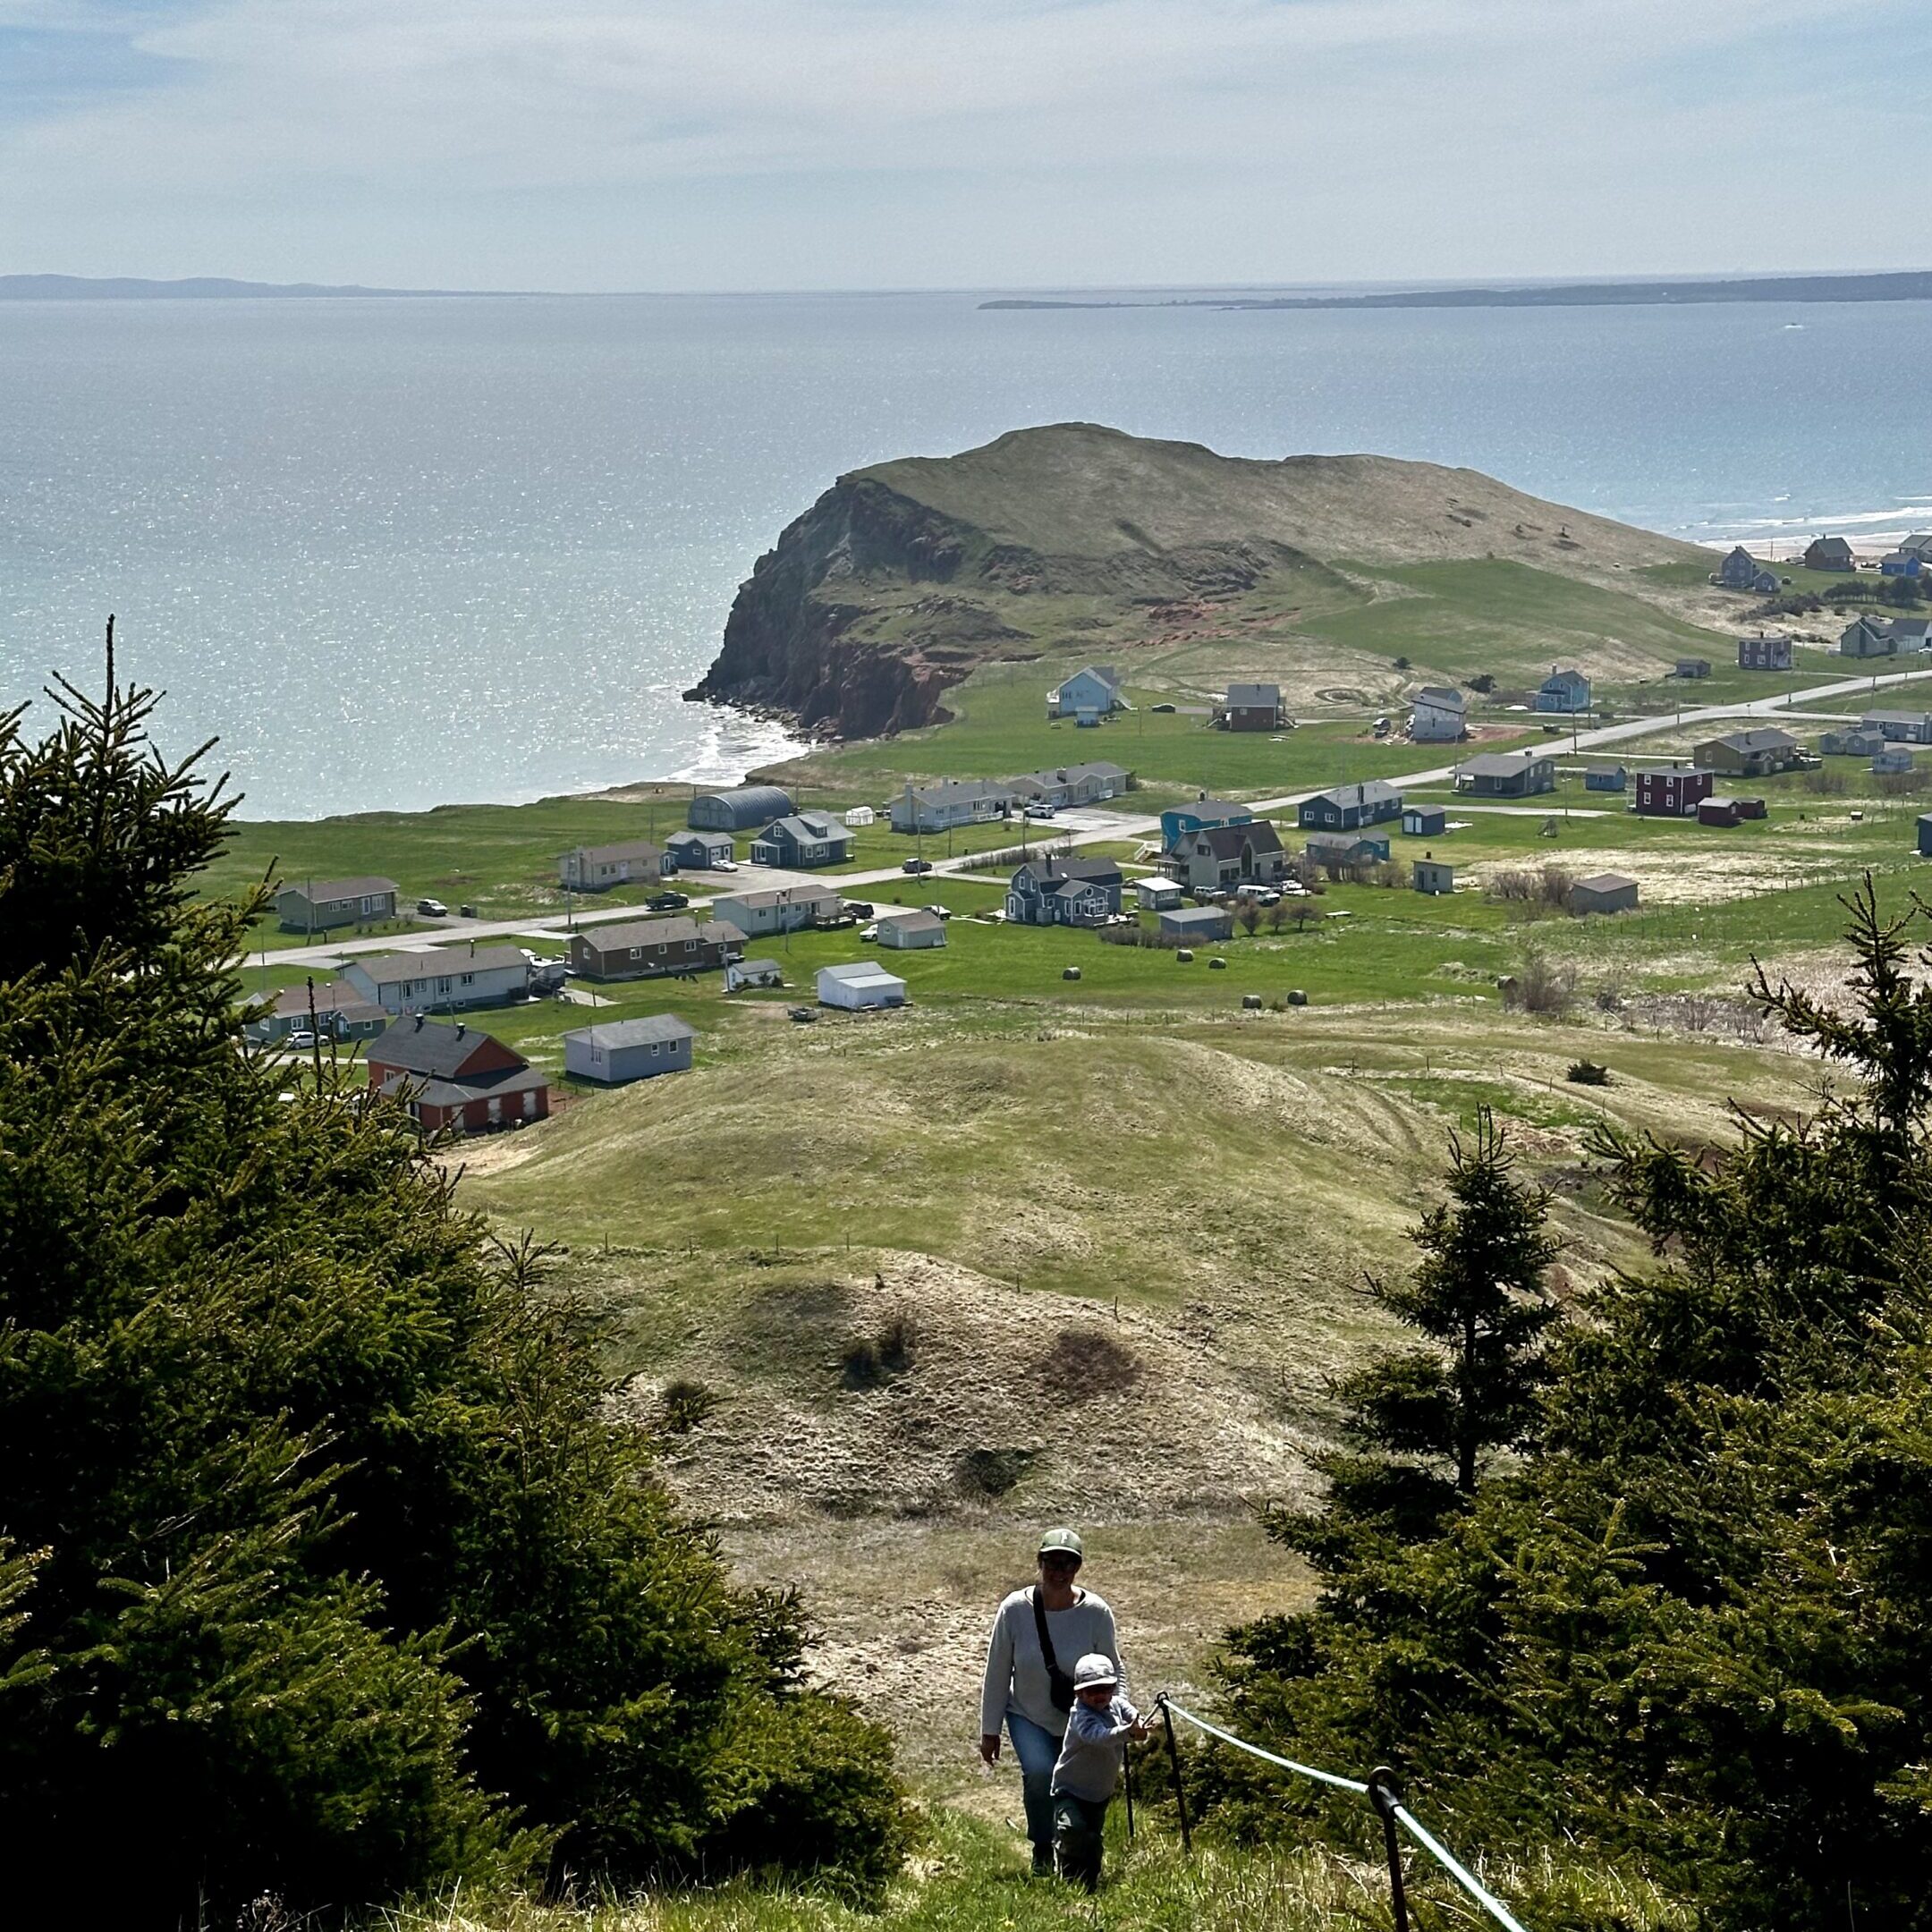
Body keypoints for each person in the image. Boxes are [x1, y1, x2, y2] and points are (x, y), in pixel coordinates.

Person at [979, 1527, 1124, 1876]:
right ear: (1039, 1563)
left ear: (1078, 1568)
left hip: (1079, 1720)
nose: (1059, 1572)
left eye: (1068, 1565)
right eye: (1052, 1563)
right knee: (1041, 1773)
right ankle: (1042, 1849)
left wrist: (1118, 1720)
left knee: (1077, 1785)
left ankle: (1076, 1852)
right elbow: (997, 1670)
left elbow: (1114, 1668)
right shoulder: (1014, 1609)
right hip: (1027, 1713)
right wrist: (990, 1729)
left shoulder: (1096, 1613)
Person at [1050, 1653, 1152, 1889]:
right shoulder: (1081, 1716)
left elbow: (1131, 1713)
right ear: (1078, 1693)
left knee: (1092, 1839)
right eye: (1092, 1691)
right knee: (1072, 1829)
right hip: (1070, 1789)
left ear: (1113, 1688)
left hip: (1099, 1794)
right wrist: (1129, 1732)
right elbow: (1098, 1736)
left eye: (1105, 1689)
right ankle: (1065, 1870)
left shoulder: (1116, 1704)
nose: (1100, 1696)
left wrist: (1141, 1723)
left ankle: (1088, 1883)